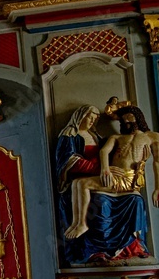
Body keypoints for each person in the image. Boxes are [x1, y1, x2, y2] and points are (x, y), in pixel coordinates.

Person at [64, 105, 158, 247]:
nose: (126, 120)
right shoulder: (116, 137)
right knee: (77, 182)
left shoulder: (152, 136)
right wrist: (105, 169)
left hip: (127, 179)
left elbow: (157, 162)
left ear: (138, 117)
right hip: (113, 175)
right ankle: (77, 223)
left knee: (82, 184)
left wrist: (157, 188)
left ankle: (82, 223)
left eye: (129, 116)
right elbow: (103, 152)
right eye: (123, 118)